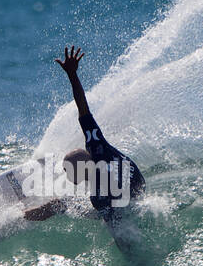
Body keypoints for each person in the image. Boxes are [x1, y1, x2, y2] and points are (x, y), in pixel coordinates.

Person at [24, 46, 145, 245]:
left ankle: (22, 217)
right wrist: (72, 75)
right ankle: (28, 214)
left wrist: (131, 255)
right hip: (130, 176)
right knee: (64, 203)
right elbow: (83, 108)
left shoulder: (100, 196)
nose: (66, 174)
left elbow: (117, 229)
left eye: (67, 170)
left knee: (62, 205)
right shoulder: (95, 144)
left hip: (130, 194)